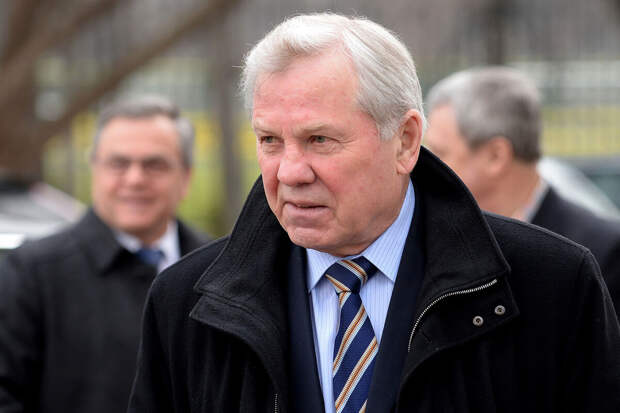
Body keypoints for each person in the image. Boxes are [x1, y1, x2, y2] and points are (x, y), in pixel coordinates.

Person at [128, 14, 620, 413]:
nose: (290, 172)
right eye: (270, 140)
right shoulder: (185, 304)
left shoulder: (551, 285)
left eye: (320, 139)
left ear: (405, 141)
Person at [0, 95, 208, 413]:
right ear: (94, 170)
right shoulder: (30, 275)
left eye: (154, 165)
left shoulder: (222, 271)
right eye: (118, 163)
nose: (135, 179)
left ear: (186, 177)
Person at [424, 66, 620, 313]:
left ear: (496, 156)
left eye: (440, 154)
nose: (426, 167)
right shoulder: (436, 240)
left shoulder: (603, 251)